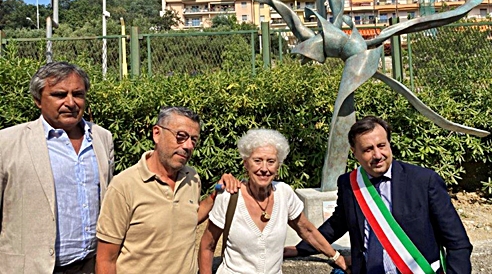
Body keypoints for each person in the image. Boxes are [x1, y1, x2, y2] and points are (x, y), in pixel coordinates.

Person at [285, 116, 472, 274]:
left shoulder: (424, 181)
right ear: (354, 153)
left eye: (381, 145)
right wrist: (300, 249)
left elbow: (457, 243)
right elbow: (337, 224)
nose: (377, 155)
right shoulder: (348, 184)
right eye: (367, 149)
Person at [95, 106, 241, 274]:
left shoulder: (191, 177)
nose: (188, 146)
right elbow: (105, 259)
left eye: (193, 140)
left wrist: (216, 194)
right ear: (157, 133)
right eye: (181, 136)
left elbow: (187, 217)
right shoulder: (124, 186)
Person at [0, 61, 115, 274]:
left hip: (89, 266)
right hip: (31, 268)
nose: (70, 102)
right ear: (37, 100)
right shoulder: (7, 143)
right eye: (60, 95)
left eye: (78, 94)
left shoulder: (102, 138)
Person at [199, 128, 348, 274]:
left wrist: (336, 257)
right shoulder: (229, 196)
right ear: (246, 164)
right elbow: (208, 245)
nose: (264, 168)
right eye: (257, 160)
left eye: (271, 161)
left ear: (278, 166)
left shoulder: (284, 193)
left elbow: (307, 231)